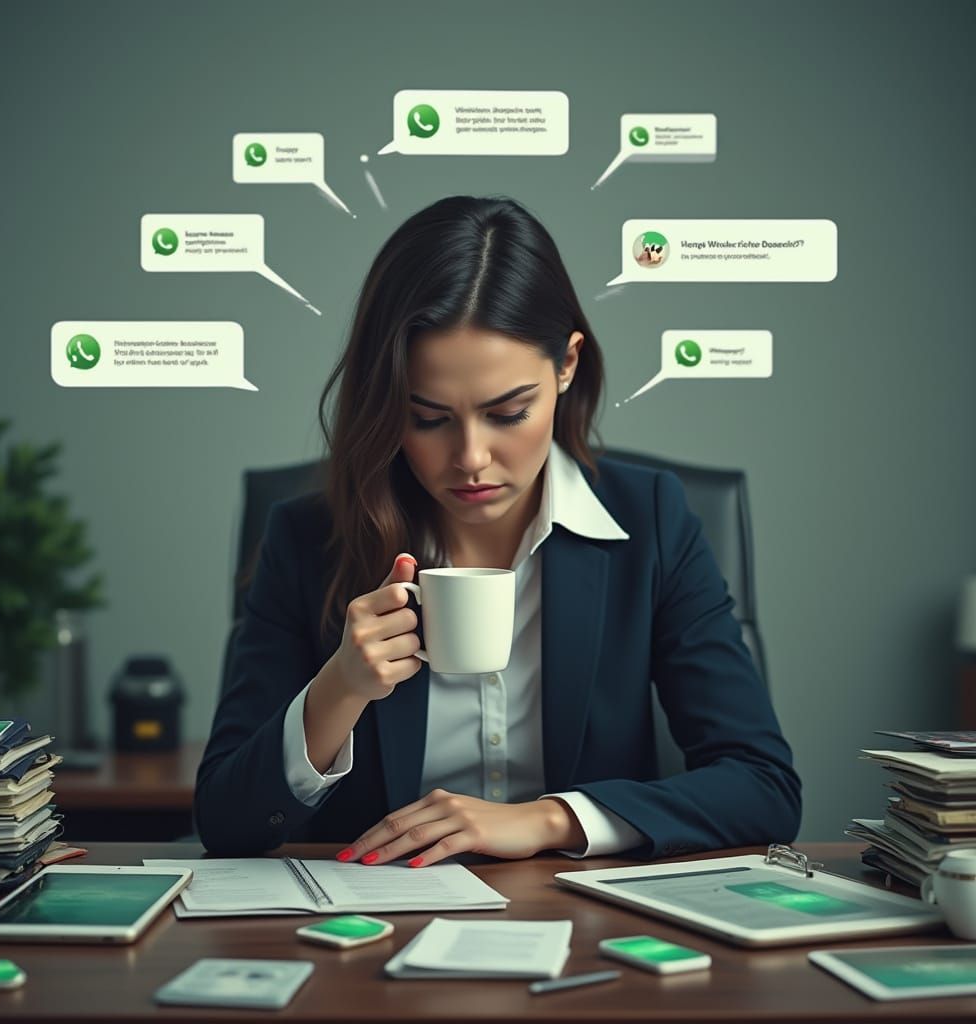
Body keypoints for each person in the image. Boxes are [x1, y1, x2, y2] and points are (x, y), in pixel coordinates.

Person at [194, 195, 801, 865]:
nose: (471, 458)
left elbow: (763, 786)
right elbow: (226, 821)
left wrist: (546, 820)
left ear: (566, 366)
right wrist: (341, 686)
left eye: (508, 412)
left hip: (588, 927)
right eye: (427, 418)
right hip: (371, 930)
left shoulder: (650, 520)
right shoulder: (307, 538)